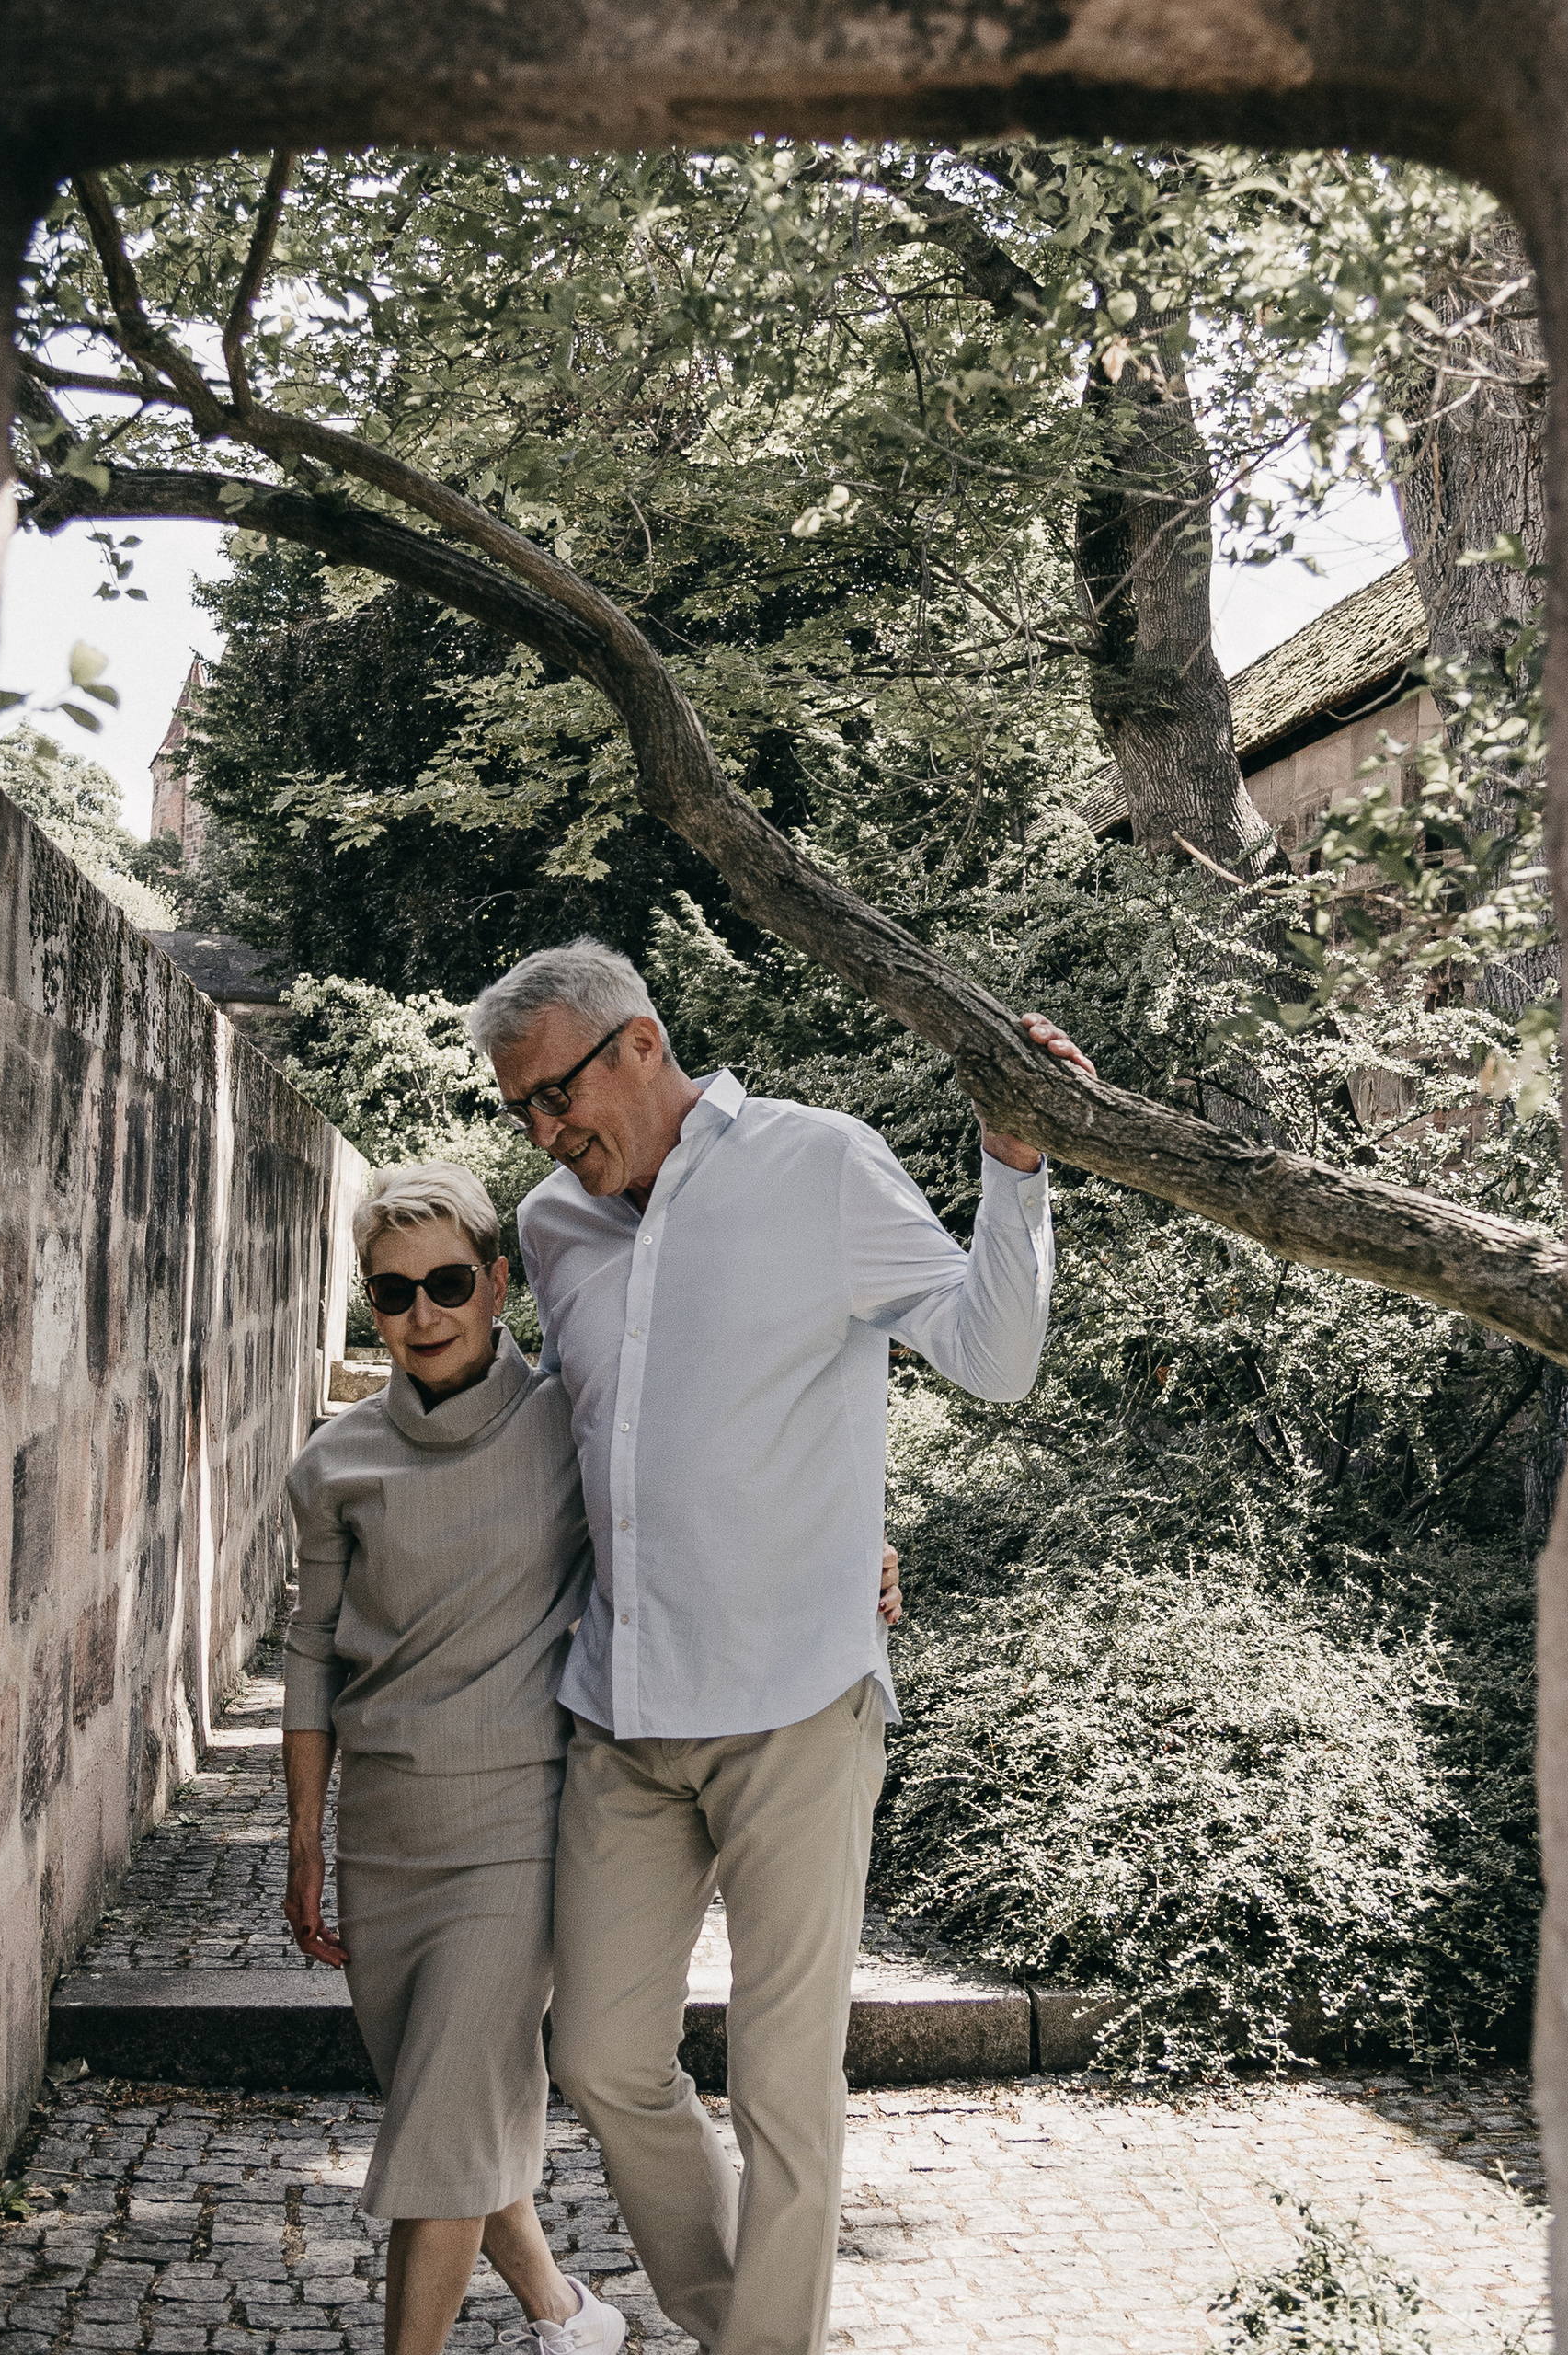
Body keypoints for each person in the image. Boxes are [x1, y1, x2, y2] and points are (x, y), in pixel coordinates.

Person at [470, 938, 1093, 2355]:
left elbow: (988, 1357)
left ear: (641, 1044)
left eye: (557, 1096)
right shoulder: (555, 1228)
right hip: (621, 1708)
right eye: (521, 1113)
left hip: (798, 1705)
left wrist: (1014, 1165)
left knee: (785, 2086)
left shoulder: (821, 1165)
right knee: (606, 2055)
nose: (548, 1134)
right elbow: (578, 1459)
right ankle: (733, 2322)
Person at [279, 1162, 624, 2355]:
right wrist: (305, 1840)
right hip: (382, 1843)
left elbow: (701, 1504)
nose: (423, 1314)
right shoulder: (336, 1466)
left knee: (433, 2140)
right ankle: (567, 2315)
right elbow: (312, 1656)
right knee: (451, 2118)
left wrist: (853, 1568)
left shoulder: (570, 1422)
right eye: (392, 1293)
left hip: (511, 1837)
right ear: (369, 1306)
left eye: (447, 1282)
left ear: (497, 1282)